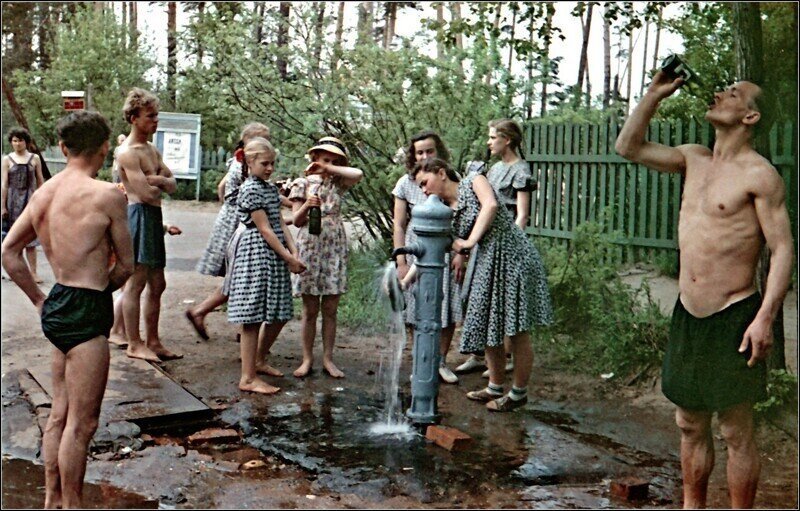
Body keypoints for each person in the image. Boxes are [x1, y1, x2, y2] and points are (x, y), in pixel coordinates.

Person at [615, 72, 793, 509]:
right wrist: (654, 93)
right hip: (688, 312)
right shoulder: (692, 158)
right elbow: (627, 148)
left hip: (734, 314)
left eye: (733, 94)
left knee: (735, 429)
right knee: (689, 423)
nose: (720, 94)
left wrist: (764, 317)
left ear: (750, 115)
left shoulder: (760, 176)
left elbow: (784, 248)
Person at [1, 110, 134, 508]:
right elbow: (127, 266)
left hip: (57, 302)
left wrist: (41, 300)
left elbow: (8, 251)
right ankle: (72, 505)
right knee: (83, 422)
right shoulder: (107, 194)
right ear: (105, 147)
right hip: (87, 304)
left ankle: (51, 500)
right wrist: (101, 291)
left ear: (62, 148)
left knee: (59, 413)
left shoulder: (44, 194)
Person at [412, 157, 553, 412]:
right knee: (487, 322)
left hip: (512, 255)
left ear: (441, 173)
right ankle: (495, 386)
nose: (424, 190)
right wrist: (406, 278)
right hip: (487, 261)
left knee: (516, 327)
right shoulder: (446, 210)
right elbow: (432, 246)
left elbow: (490, 206)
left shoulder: (473, 181)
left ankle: (519, 392)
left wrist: (467, 243)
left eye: (425, 182)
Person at [226, 137, 306, 394]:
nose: (270, 168)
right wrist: (287, 257)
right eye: (264, 163)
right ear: (250, 162)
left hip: (275, 252)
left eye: (272, 163)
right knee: (253, 316)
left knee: (279, 310)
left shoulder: (270, 189)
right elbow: (265, 229)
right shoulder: (249, 190)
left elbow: (282, 224)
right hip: (256, 253)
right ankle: (247, 377)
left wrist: (294, 252)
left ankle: (259, 360)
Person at [458, 119, 535, 377]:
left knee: (502, 303)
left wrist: (513, 250)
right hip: (486, 240)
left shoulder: (520, 170)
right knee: (476, 296)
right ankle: (480, 355)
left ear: (507, 139)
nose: (488, 143)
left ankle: (507, 358)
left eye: (493, 137)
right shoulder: (493, 169)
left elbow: (521, 215)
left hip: (506, 243)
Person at [186, 122, 271, 342]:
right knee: (240, 277)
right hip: (239, 223)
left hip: (234, 219)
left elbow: (221, 187)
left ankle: (241, 327)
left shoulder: (241, 163)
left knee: (243, 277)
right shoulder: (242, 165)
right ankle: (202, 312)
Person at [392, 130, 463, 383]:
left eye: (429, 151)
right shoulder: (405, 183)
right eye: (419, 152)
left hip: (447, 247)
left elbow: (462, 219)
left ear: (438, 153)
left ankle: (440, 361)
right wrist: (401, 261)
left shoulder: (452, 178)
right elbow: (399, 224)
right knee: (415, 306)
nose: (424, 156)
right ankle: (421, 359)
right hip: (416, 248)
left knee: (446, 306)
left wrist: (461, 255)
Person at [289, 137, 363, 378]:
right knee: (310, 309)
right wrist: (307, 206)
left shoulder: (338, 183)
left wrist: (329, 169)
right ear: (314, 158)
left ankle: (329, 359)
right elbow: (296, 221)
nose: (328, 164)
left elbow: (358, 173)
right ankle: (307, 358)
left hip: (334, 247)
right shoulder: (301, 183)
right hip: (310, 246)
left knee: (331, 308)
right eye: (324, 159)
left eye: (333, 160)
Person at [116, 87, 180, 362]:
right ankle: (134, 342)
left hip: (153, 217)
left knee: (158, 282)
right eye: (150, 116)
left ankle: (153, 340)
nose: (155, 121)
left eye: (156, 116)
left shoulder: (151, 149)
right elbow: (144, 193)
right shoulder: (127, 152)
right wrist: (158, 182)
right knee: (136, 282)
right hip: (139, 214)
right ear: (134, 118)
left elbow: (173, 185)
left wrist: (158, 180)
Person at [2, 127, 45, 283]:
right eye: (14, 140)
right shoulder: (7, 159)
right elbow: (4, 184)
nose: (17, 143)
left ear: (26, 142)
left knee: (30, 239)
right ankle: (16, 271)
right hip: (13, 202)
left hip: (30, 200)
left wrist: (43, 200)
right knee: (13, 238)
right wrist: (2, 206)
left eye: (20, 140)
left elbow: (40, 180)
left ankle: (33, 272)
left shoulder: (34, 158)